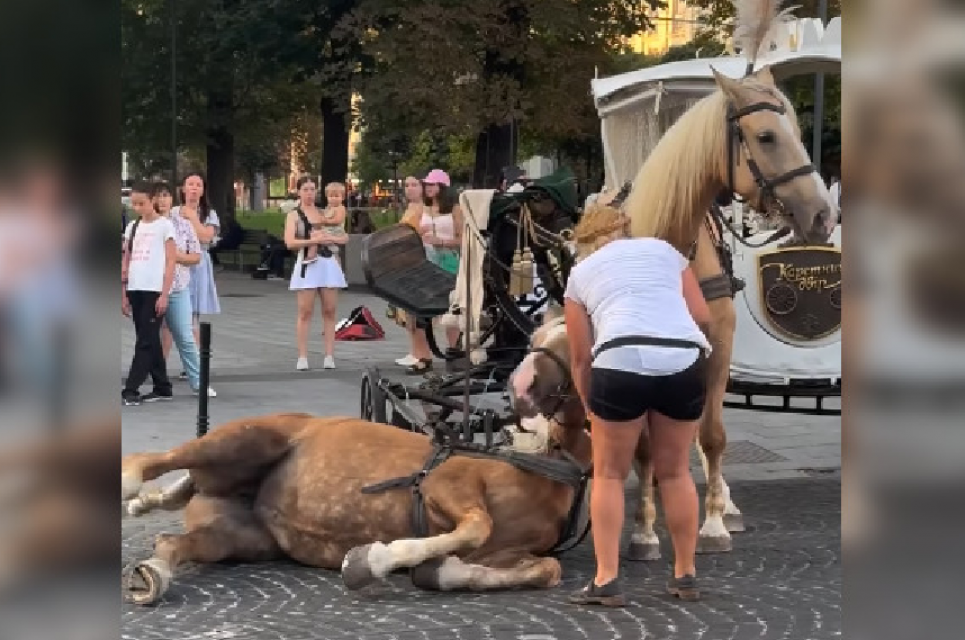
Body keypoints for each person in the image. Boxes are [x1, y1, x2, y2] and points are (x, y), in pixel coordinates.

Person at [563, 203, 712, 607]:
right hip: (682, 356)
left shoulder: (580, 276)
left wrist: (591, 406)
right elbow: (701, 314)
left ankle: (606, 579)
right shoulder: (665, 251)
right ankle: (685, 574)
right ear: (625, 230)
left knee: (610, 474)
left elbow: (580, 357)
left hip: (619, 359)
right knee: (677, 471)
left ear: (585, 241)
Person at [155, 182, 216, 398]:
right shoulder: (142, 225)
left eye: (165, 196)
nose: (161, 200)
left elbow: (196, 254)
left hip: (178, 286)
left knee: (186, 335)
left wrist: (176, 256)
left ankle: (198, 382)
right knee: (150, 337)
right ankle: (154, 382)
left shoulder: (181, 223)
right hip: (150, 286)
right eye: (157, 196)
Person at [121, 181, 177, 406]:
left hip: (155, 289)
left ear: (152, 200)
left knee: (145, 340)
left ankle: (131, 388)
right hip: (136, 287)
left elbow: (171, 261)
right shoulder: (133, 227)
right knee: (149, 337)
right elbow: (126, 260)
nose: (137, 207)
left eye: (141, 203)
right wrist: (123, 293)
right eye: (134, 203)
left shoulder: (165, 226)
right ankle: (162, 386)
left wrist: (165, 293)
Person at [285, 175, 348, 370]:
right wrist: (311, 241)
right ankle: (302, 356)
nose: (310, 193)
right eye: (306, 189)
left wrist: (331, 238)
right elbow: (290, 242)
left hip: (327, 262)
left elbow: (344, 235)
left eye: (313, 189)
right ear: (299, 192)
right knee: (305, 311)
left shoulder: (325, 213)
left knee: (330, 310)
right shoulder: (294, 215)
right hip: (307, 262)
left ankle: (329, 355)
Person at [404, 169, 463, 374]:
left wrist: (443, 241)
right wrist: (417, 235)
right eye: (427, 185)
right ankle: (422, 355)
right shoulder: (423, 209)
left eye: (432, 185)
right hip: (426, 260)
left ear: (442, 187)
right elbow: (411, 231)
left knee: (451, 309)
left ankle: (455, 353)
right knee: (419, 310)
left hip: (448, 261)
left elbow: (464, 239)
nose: (429, 189)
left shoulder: (455, 209)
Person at [173, 173, 221, 375]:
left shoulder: (208, 214)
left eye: (198, 185)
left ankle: (195, 363)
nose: (193, 188)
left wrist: (192, 216)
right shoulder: (173, 211)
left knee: (194, 315)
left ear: (203, 190)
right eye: (190, 184)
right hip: (177, 263)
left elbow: (205, 237)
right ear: (183, 189)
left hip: (199, 264)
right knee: (180, 316)